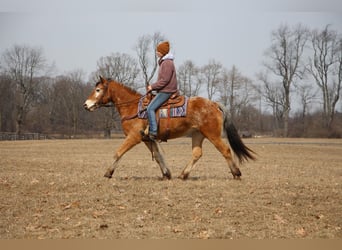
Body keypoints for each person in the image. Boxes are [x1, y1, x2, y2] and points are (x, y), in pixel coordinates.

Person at [144, 41, 178, 141]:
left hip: (167, 91)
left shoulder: (167, 63)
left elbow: (165, 80)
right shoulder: (165, 62)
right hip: (164, 90)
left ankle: (153, 132)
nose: (156, 52)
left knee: (150, 108)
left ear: (162, 52)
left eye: (158, 51)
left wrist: (152, 87)